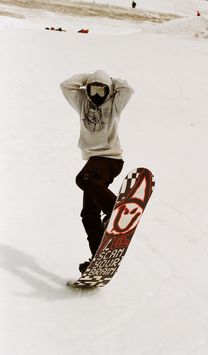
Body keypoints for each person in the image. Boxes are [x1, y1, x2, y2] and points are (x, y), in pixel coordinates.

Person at [60, 70, 134, 273]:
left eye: (103, 90)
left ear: (109, 90)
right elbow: (66, 85)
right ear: (88, 89)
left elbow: (127, 89)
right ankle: (98, 259)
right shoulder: (82, 102)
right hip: (95, 161)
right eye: (94, 89)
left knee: (83, 178)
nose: (98, 95)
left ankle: (114, 209)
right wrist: (86, 78)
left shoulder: (114, 104)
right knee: (88, 214)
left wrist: (111, 81)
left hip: (110, 160)